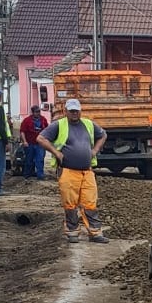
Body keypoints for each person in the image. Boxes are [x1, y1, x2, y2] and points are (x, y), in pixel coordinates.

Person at [36, 98, 110, 244]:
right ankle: (72, 232)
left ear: (80, 111)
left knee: (90, 203)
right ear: (66, 111)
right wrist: (56, 152)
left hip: (87, 171)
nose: (74, 113)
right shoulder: (59, 125)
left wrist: (95, 150)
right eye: (71, 111)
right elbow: (41, 138)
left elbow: (103, 135)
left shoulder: (88, 124)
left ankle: (95, 233)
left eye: (77, 111)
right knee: (70, 203)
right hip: (68, 171)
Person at [19, 104, 48, 180]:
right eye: (36, 112)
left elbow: (47, 130)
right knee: (29, 160)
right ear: (32, 112)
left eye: (39, 112)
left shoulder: (43, 119)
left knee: (40, 159)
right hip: (30, 144)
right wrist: (25, 141)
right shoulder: (27, 120)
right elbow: (22, 132)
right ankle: (27, 175)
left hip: (40, 144)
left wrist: (47, 141)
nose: (38, 113)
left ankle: (40, 175)